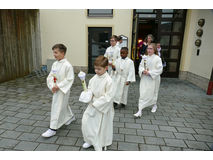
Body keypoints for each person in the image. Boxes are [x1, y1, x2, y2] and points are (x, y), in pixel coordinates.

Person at [42, 44, 75, 137]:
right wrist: (52, 86)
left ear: (63, 53)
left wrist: (59, 86)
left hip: (63, 89)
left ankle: (53, 128)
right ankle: (70, 116)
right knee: (62, 104)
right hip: (55, 89)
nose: (54, 55)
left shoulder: (67, 65)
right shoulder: (55, 64)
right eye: (53, 52)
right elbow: (51, 76)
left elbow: (69, 79)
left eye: (56, 52)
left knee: (57, 107)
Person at [81, 56, 114, 151]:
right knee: (86, 121)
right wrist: (88, 94)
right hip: (92, 104)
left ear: (106, 68)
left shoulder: (109, 80)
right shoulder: (94, 78)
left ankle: (99, 141)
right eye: (95, 68)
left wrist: (96, 103)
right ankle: (89, 139)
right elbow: (90, 89)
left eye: (99, 69)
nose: (96, 71)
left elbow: (109, 97)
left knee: (99, 126)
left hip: (102, 107)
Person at [134, 43, 163, 118]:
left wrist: (150, 73)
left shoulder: (157, 58)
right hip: (145, 78)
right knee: (143, 93)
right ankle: (140, 110)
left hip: (153, 79)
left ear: (154, 50)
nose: (149, 50)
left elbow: (160, 69)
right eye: (148, 48)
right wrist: (143, 71)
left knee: (153, 92)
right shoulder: (144, 58)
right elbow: (140, 66)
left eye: (151, 49)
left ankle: (154, 104)